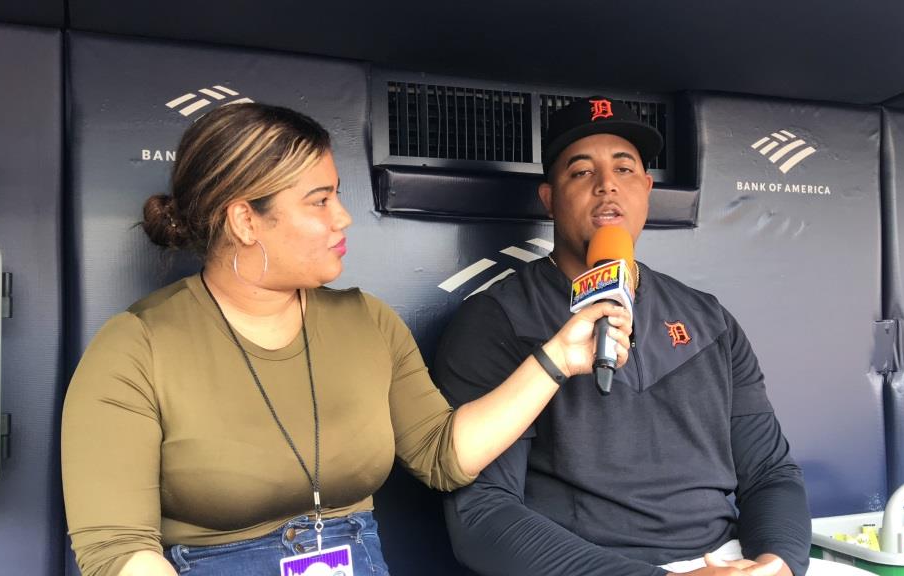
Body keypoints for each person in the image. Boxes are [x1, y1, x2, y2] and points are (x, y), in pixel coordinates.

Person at [61, 102, 632, 576]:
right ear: (244, 221)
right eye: (320, 201)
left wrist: (560, 356)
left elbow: (443, 454)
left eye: (338, 194)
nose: (344, 218)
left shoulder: (367, 322)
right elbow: (118, 553)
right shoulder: (136, 346)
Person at [435, 97, 812, 576]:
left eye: (625, 169)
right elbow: (482, 514)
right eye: (580, 172)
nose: (607, 185)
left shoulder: (709, 319)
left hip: (728, 561)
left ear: (647, 190)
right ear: (548, 197)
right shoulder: (498, 321)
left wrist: (777, 563)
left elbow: (770, 473)